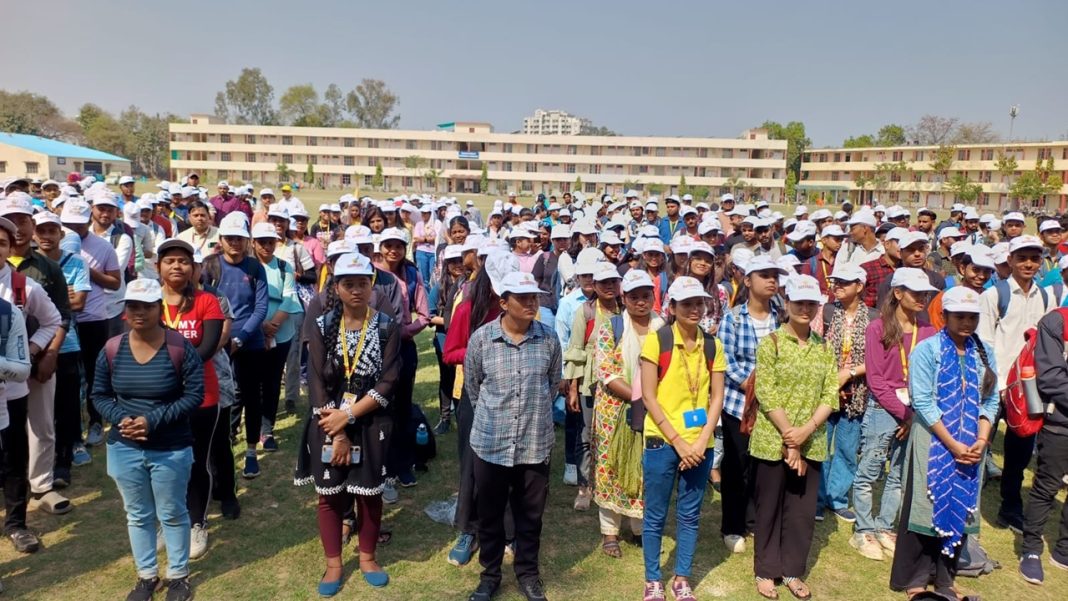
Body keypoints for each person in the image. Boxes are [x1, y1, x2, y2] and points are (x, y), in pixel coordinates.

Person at [93, 278, 205, 601]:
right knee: (138, 514)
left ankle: (178, 576)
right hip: (125, 446)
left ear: (160, 308)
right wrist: (121, 419)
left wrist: (151, 421)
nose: (140, 312)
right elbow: (99, 395)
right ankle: (146, 576)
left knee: (171, 512)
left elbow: (194, 395)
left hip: (171, 447)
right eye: (133, 306)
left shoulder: (179, 347)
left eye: (147, 306)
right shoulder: (112, 349)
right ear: (125, 310)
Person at [295, 252, 400, 595]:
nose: (356, 290)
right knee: (330, 495)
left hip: (371, 420)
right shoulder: (322, 325)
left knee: (369, 495)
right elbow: (315, 382)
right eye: (348, 284)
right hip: (326, 420)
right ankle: (334, 564)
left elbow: (387, 382)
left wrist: (350, 415)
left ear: (371, 286)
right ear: (336, 288)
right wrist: (337, 428)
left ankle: (368, 557)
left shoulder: (386, 326)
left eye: (362, 283)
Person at [890, 286, 998, 601]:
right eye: (959, 316)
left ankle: (945, 579)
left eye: (972, 316)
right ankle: (915, 579)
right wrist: (952, 444)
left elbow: (990, 400)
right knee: (926, 504)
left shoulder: (984, 351)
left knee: (959, 505)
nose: (966, 322)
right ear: (945, 315)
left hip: (972, 443)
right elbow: (922, 401)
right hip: (934, 441)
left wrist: (981, 438)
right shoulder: (927, 349)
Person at [463, 271, 562, 601]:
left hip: (535, 443)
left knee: (530, 516)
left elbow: (553, 384)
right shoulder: (481, 339)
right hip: (491, 444)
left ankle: (528, 574)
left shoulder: (548, 339)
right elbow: (473, 388)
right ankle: (490, 575)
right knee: (490, 516)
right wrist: (497, 418)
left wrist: (531, 415)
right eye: (523, 298)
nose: (532, 303)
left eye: (534, 297)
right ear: (504, 303)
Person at [638, 276, 725, 601]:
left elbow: (716, 398)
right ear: (672, 307)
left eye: (698, 303)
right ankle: (653, 580)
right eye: (686, 303)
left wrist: (700, 442)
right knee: (656, 513)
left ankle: (681, 578)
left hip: (701, 443)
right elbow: (649, 397)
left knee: (690, 513)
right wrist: (680, 442)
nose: (694, 309)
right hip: (663, 441)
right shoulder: (657, 341)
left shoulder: (713, 345)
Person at [750, 275, 836, 600]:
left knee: (800, 511)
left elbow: (830, 392)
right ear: (787, 304)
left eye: (810, 304)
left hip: (810, 440)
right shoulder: (771, 342)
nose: (804, 308)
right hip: (772, 440)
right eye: (798, 302)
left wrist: (805, 433)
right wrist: (790, 438)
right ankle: (766, 569)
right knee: (770, 506)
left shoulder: (823, 348)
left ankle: (792, 569)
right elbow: (766, 392)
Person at [852, 268, 938, 561]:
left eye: (926, 293)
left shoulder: (928, 331)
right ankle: (862, 530)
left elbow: (930, 377)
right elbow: (876, 380)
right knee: (870, 471)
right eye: (916, 293)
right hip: (883, 410)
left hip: (914, 410)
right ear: (898, 293)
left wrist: (913, 414)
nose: (923, 298)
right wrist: (905, 414)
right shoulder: (877, 328)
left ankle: (885, 526)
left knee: (900, 473)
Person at [156, 238, 228, 560]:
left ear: (193, 268)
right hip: (158, 394)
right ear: (159, 266)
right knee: (165, 462)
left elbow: (209, 347)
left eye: (183, 261)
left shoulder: (206, 301)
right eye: (169, 260)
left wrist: (173, 368)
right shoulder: (149, 301)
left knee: (197, 459)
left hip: (201, 393)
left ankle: (197, 523)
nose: (177, 266)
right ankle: (170, 521)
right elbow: (137, 345)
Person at [977, 235, 1052, 533]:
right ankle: (970, 508)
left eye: (1034, 258)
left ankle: (1010, 507)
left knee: (1019, 452)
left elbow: (1047, 342)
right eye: (1022, 258)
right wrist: (997, 386)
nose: (1029, 264)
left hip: (1029, 387)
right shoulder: (994, 295)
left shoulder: (1046, 297)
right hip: (995, 386)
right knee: (980, 444)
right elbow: (984, 342)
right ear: (1010, 260)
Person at [717, 255, 786, 554]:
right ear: (747, 281)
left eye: (775, 275)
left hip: (774, 407)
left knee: (765, 465)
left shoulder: (781, 317)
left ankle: (755, 520)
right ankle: (732, 526)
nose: (772, 280)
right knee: (737, 465)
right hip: (738, 404)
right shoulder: (733, 318)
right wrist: (754, 386)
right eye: (765, 275)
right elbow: (726, 361)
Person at [591, 270, 662, 559]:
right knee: (612, 466)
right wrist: (639, 398)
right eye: (634, 297)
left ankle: (639, 528)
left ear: (653, 297)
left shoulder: (664, 329)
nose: (641, 302)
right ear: (625, 298)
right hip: (615, 410)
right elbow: (607, 372)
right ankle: (610, 532)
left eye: (646, 296)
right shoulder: (612, 327)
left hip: (655, 409)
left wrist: (651, 402)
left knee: (646, 468)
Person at [202, 214, 269, 479]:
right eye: (229, 238)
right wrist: (218, 340)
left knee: (252, 397)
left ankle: (251, 452)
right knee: (223, 397)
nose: (235, 243)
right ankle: (224, 444)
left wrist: (241, 338)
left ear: (247, 241)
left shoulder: (255, 268)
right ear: (221, 240)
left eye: (239, 238)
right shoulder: (210, 266)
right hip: (216, 343)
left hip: (249, 343)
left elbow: (260, 307)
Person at [31, 211, 93, 486]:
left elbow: (77, 303)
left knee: (66, 405)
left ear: (60, 234)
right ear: (35, 234)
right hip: (31, 345)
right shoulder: (24, 265)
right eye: (41, 231)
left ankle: (63, 462)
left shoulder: (75, 262)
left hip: (65, 344)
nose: (46, 236)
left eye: (51, 231)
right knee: (34, 411)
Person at [61, 200, 122, 450]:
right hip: (62, 320)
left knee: (95, 373)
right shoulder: (55, 239)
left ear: (89, 221)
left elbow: (115, 283)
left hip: (94, 318)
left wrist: (87, 270)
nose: (73, 229)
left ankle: (96, 422)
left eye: (78, 224)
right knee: (70, 378)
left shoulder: (102, 246)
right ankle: (70, 429)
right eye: (68, 224)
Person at [817, 263, 875, 523]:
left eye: (844, 282)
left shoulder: (874, 319)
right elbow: (815, 350)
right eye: (835, 282)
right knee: (819, 446)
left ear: (859, 287)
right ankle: (817, 498)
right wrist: (831, 381)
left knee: (846, 448)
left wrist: (849, 374)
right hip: (825, 388)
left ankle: (837, 498)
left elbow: (877, 359)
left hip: (857, 392)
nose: (837, 286)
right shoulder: (826, 311)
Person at [563, 262, 622, 511]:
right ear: (594, 286)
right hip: (590, 382)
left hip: (620, 382)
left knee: (615, 434)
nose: (609, 287)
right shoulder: (584, 312)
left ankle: (611, 484)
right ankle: (585, 487)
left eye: (613, 282)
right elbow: (575, 351)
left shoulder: (626, 310)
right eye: (603, 283)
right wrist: (573, 389)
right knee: (587, 436)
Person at [376, 227, 429, 490]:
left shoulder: (412, 274)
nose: (393, 251)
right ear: (380, 247)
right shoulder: (372, 273)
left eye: (398, 245)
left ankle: (404, 464)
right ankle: (383, 464)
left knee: (404, 407)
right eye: (388, 245)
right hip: (376, 349)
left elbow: (424, 313)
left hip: (404, 348)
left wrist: (405, 332)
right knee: (381, 407)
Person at [1020, 302, 1068, 584]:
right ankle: (1031, 551)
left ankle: (1063, 551)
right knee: (1047, 486)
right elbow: (1050, 379)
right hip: (1060, 422)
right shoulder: (1056, 322)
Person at [250, 222, 302, 449]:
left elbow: (289, 297)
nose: (267, 247)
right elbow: (243, 299)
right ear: (253, 243)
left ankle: (267, 430)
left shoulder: (284, 267)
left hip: (281, 333)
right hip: (251, 332)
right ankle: (240, 427)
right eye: (262, 242)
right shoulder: (247, 267)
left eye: (271, 242)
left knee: (271, 382)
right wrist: (261, 325)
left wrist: (272, 326)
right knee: (251, 384)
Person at [428, 244, 466, 434]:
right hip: (444, 339)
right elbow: (429, 316)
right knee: (447, 379)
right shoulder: (439, 287)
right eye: (453, 262)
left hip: (465, 341)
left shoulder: (469, 284)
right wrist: (451, 321)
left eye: (461, 260)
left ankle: (463, 417)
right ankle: (445, 418)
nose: (458, 265)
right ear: (447, 264)